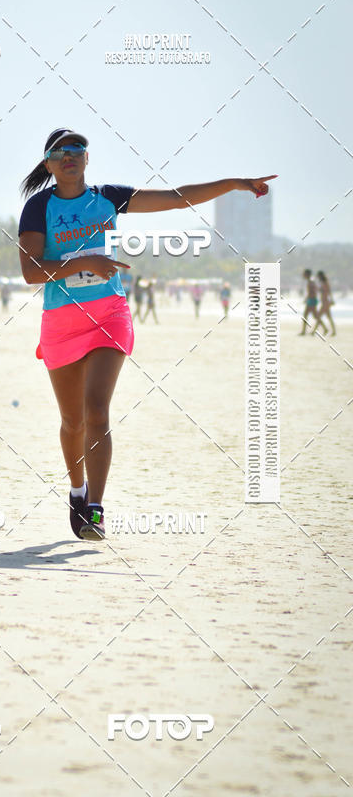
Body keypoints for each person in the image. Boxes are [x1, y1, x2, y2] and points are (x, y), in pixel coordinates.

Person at [18, 126, 276, 540]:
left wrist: (234, 183)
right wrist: (84, 262)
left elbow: (177, 198)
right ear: (48, 163)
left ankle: (96, 510)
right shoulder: (38, 208)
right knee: (71, 422)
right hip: (61, 320)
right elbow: (31, 271)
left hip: (109, 315)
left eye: (78, 148)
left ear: (88, 158)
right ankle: (77, 490)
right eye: (60, 151)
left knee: (96, 411)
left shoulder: (109, 197)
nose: (70, 155)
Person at [299, 269, 327, 335]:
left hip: (312, 300)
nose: (303, 275)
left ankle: (303, 331)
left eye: (304, 274)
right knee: (314, 316)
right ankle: (325, 328)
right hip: (311, 300)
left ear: (307, 274)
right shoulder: (311, 281)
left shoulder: (311, 281)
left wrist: (307, 299)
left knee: (309, 315)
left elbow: (312, 292)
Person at [312, 270, 336, 336]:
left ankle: (314, 331)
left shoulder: (325, 283)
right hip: (324, 302)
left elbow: (328, 292)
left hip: (325, 302)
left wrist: (332, 299)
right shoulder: (323, 282)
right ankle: (333, 331)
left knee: (318, 316)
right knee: (329, 317)